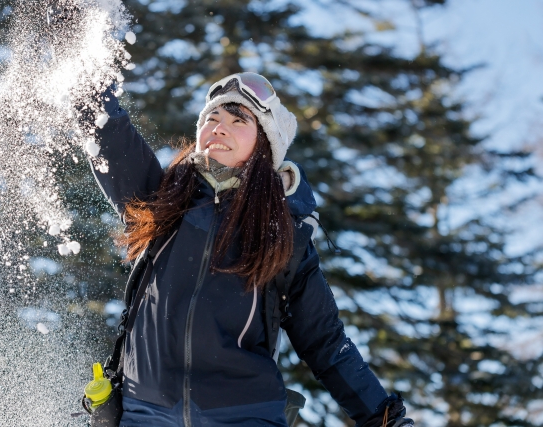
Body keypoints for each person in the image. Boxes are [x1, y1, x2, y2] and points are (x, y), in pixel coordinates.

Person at [89, 72, 414, 427]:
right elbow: (108, 129)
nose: (219, 127)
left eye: (237, 120)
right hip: (143, 414)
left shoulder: (282, 234)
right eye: (212, 118)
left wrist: (383, 418)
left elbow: (325, 342)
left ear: (265, 143)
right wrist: (85, 65)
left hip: (243, 417)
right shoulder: (161, 201)